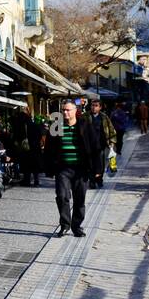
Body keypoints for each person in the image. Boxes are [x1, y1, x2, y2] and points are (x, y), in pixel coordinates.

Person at [45, 100, 100, 237]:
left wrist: (98, 169)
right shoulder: (56, 126)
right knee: (62, 196)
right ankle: (65, 225)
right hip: (63, 168)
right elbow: (48, 149)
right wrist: (48, 167)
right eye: (63, 110)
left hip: (81, 169)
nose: (65, 112)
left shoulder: (85, 125)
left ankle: (77, 226)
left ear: (75, 111)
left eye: (68, 110)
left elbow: (95, 147)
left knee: (79, 198)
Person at [87, 99, 117, 188]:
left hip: (100, 144)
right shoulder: (85, 116)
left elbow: (112, 130)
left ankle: (99, 179)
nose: (93, 107)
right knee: (90, 164)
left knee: (100, 164)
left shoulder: (104, 117)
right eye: (92, 105)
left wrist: (112, 142)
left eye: (96, 105)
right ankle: (92, 181)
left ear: (100, 107)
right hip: (88, 144)